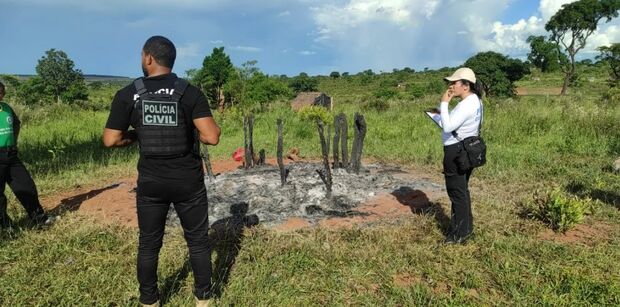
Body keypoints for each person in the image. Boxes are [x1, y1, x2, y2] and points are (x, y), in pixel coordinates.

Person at [103, 36, 221, 307]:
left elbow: (111, 140)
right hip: (187, 181)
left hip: (151, 182)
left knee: (149, 243)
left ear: (148, 59)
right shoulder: (189, 92)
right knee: (198, 242)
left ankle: (149, 301)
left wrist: (135, 136)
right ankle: (204, 299)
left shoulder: (128, 94)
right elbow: (212, 137)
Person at [434, 67, 483, 244]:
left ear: (466, 85)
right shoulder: (475, 101)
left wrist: (444, 103)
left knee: (456, 192)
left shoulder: (466, 105)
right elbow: (451, 123)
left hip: (456, 151)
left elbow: (447, 127)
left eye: (454, 82)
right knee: (462, 191)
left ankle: (459, 234)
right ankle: (465, 228)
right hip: (467, 150)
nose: (451, 86)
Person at [0, 81, 53, 230]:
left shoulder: (6, 108)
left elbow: (16, 124)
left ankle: (39, 219)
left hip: (10, 154)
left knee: (26, 186)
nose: (1, 94)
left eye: (2, 92)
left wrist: (13, 142)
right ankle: (5, 227)